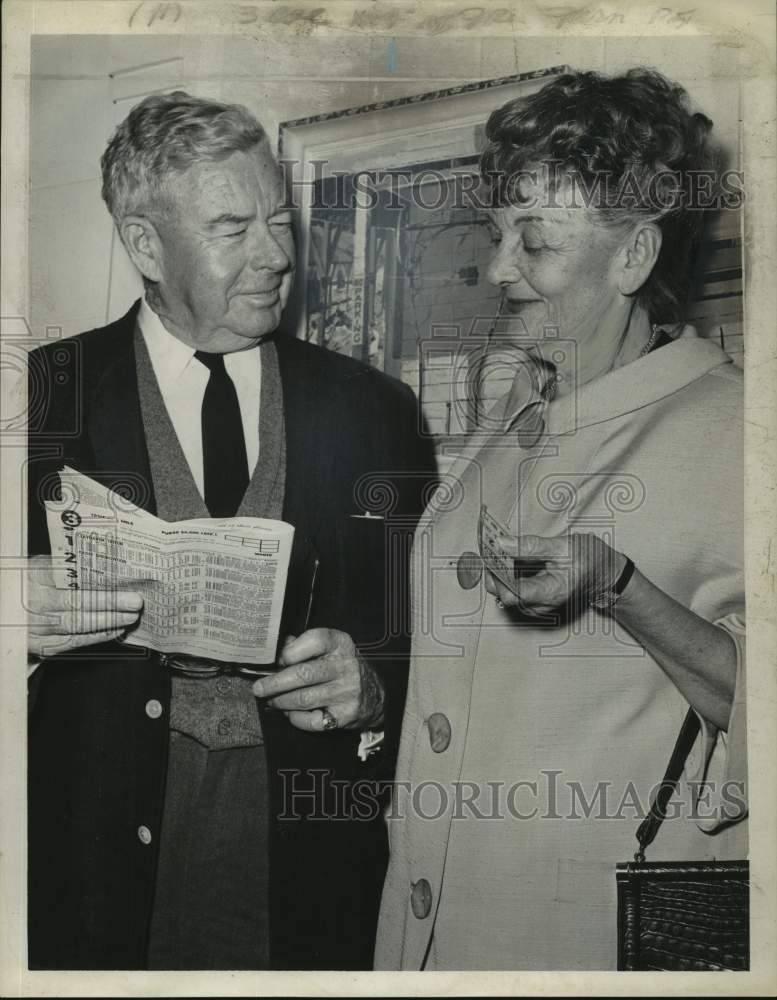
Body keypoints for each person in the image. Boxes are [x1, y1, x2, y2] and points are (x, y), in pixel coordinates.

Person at [25, 91, 436, 970]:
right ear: (144, 244)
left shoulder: (375, 411)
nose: (276, 256)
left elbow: (432, 639)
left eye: (279, 221)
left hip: (306, 867)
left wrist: (374, 685)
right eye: (232, 227)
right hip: (93, 873)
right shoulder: (40, 395)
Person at [375, 68, 747, 970]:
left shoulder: (739, 433)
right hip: (429, 924)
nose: (499, 268)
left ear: (632, 257)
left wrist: (620, 588)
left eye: (533, 244)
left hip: (586, 939)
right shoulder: (510, 412)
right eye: (496, 235)